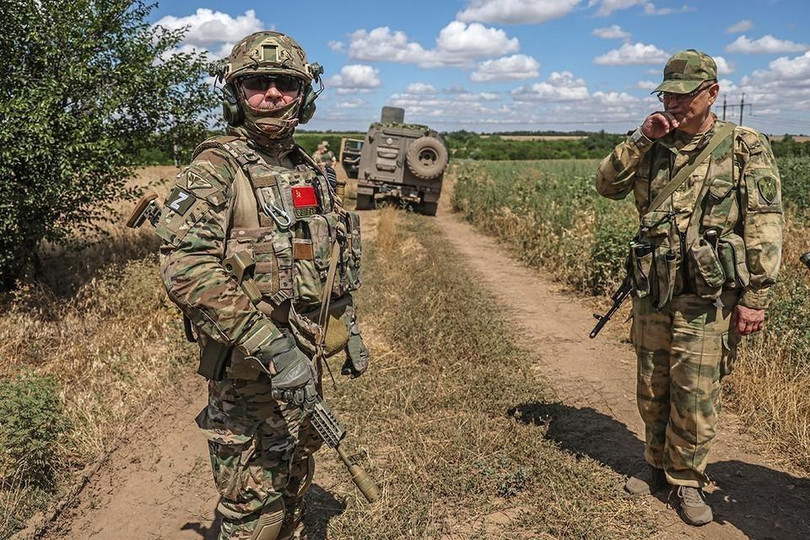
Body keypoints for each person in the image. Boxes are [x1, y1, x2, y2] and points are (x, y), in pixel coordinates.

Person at [155, 31, 369, 540]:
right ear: (237, 93)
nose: (271, 94)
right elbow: (187, 269)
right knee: (252, 510)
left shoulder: (309, 170)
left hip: (306, 367)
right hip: (249, 377)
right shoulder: (216, 169)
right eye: (257, 83)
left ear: (305, 95)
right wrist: (272, 347)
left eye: (285, 84)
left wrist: (347, 325)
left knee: (294, 485)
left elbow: (325, 255)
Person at [595, 49, 783, 526]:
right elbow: (606, 186)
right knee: (653, 386)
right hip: (654, 290)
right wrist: (642, 137)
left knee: (696, 394)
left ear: (711, 94)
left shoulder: (744, 145)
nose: (674, 105)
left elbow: (764, 222)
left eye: (683, 96)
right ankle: (656, 467)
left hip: (710, 296)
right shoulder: (653, 142)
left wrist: (756, 296)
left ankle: (686, 481)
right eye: (667, 96)